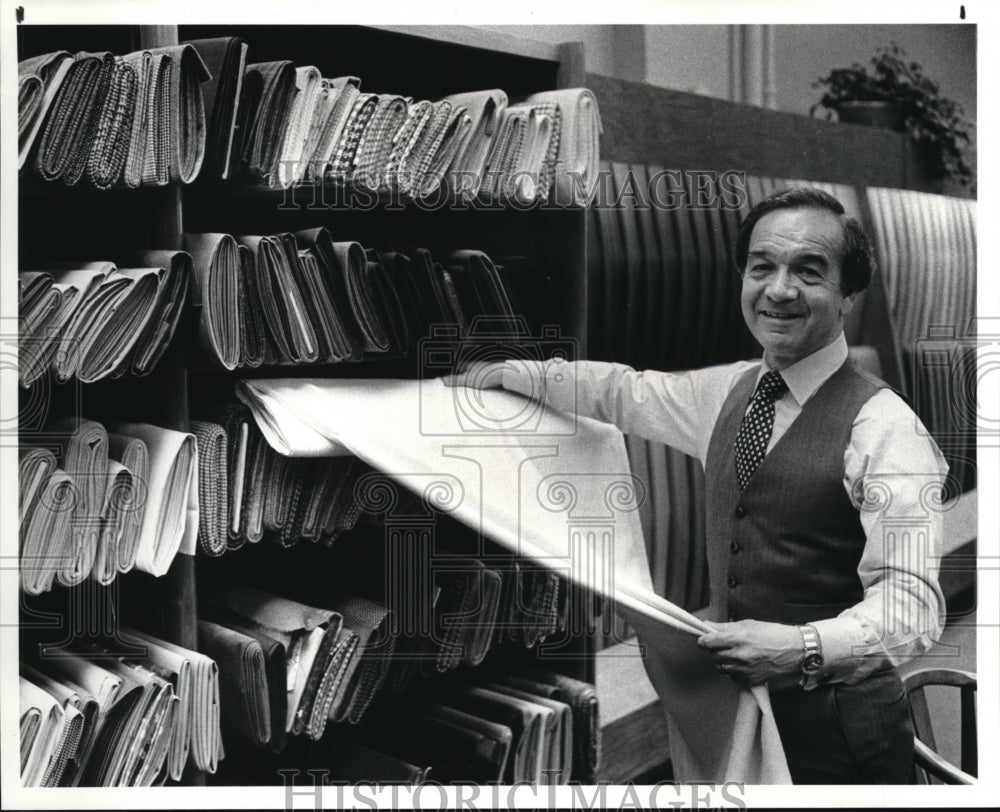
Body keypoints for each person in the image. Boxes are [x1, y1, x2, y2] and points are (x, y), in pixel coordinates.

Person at [446, 187, 947, 784]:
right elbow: (624, 392)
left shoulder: (888, 427)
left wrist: (805, 647)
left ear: (848, 294)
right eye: (762, 267)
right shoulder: (729, 390)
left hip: (841, 739)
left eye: (809, 272)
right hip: (733, 724)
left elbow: (915, 608)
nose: (780, 290)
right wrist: (517, 374)